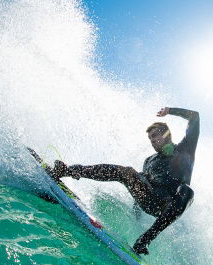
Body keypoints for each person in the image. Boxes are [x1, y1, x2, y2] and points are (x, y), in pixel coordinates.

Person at [52, 107, 199, 255]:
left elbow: (195, 117)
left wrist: (169, 111)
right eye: (150, 139)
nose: (152, 141)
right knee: (127, 172)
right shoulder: (149, 161)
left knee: (188, 191)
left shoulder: (185, 149)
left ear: (167, 135)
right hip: (151, 200)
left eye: (155, 136)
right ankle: (67, 171)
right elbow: (142, 185)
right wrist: (136, 216)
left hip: (169, 205)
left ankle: (145, 239)